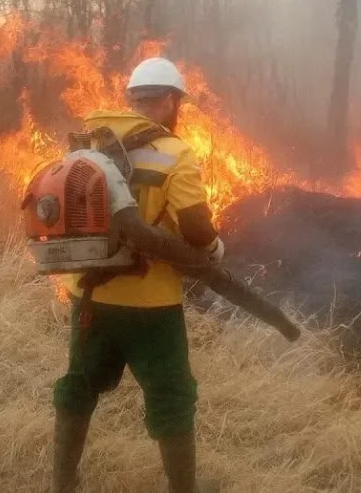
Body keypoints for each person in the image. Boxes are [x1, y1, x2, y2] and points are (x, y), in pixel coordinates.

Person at [51, 57, 224, 493]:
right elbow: (197, 229)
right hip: (153, 305)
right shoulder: (175, 153)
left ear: (131, 99)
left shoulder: (87, 143)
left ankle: (62, 483)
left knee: (79, 386)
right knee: (172, 397)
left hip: (91, 297)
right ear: (169, 101)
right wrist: (213, 250)